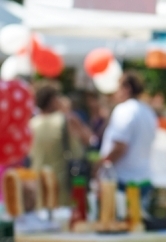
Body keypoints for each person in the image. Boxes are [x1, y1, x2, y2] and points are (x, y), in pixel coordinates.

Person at [99, 72, 157, 203]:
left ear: (126, 89)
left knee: (121, 221)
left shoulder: (124, 110)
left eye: (118, 88)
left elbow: (120, 147)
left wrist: (100, 166)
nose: (115, 93)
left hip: (124, 181)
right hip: (143, 178)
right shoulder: (148, 112)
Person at [29, 86, 92, 203]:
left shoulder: (31, 124)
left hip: (38, 184)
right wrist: (67, 110)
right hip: (61, 186)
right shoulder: (66, 119)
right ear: (53, 100)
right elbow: (89, 139)